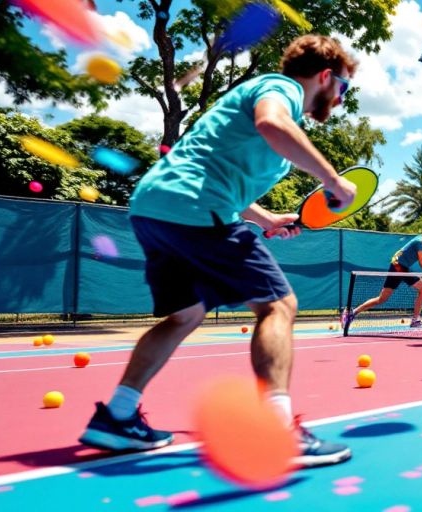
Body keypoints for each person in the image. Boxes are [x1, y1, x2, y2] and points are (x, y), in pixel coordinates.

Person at [79, 35, 360, 467]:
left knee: (185, 315)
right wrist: (332, 180)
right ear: (325, 76)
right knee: (279, 307)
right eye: (341, 87)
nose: (339, 98)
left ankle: (116, 416)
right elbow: (271, 124)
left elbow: (219, 167)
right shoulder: (282, 90)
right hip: (195, 206)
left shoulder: (257, 102)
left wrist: (265, 219)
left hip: (154, 207)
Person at [342, 226, 422, 330]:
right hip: (399, 266)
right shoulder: (419, 242)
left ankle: (352, 313)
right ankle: (415, 320)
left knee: (382, 299)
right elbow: (421, 260)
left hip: (398, 266)